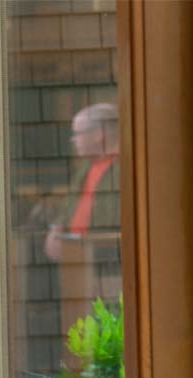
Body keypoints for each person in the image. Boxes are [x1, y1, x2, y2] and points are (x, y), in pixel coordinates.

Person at [44, 102, 120, 261]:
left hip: (108, 261)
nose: (73, 140)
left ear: (99, 134)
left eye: (78, 133)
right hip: (77, 260)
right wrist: (56, 229)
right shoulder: (86, 167)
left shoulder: (125, 169)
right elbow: (68, 207)